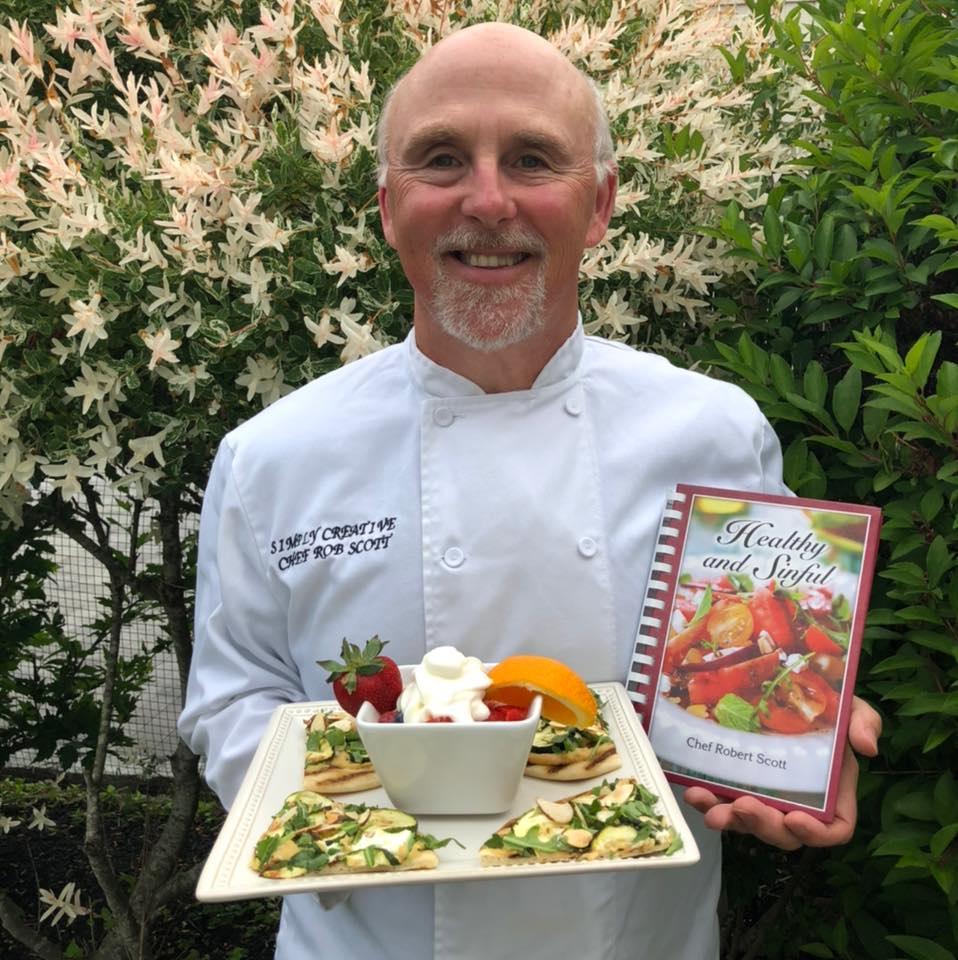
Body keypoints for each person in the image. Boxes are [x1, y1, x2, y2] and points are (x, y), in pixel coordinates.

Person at [179, 22, 881, 960]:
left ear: (599, 204)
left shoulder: (713, 431)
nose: (487, 198)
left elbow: (761, 630)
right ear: (388, 207)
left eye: (532, 159)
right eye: (440, 160)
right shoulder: (274, 456)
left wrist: (801, 745)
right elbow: (234, 701)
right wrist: (371, 822)